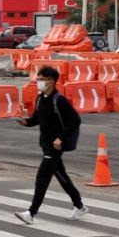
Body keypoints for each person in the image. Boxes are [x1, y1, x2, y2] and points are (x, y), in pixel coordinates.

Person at [15, 66, 87, 224]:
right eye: (38, 79)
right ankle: (79, 205)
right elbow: (36, 119)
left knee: (42, 178)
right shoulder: (41, 98)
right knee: (62, 176)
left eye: (41, 79)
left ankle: (31, 213)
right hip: (46, 145)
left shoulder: (59, 100)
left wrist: (60, 138)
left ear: (51, 82)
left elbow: (75, 120)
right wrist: (25, 122)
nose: (38, 82)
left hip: (55, 147)